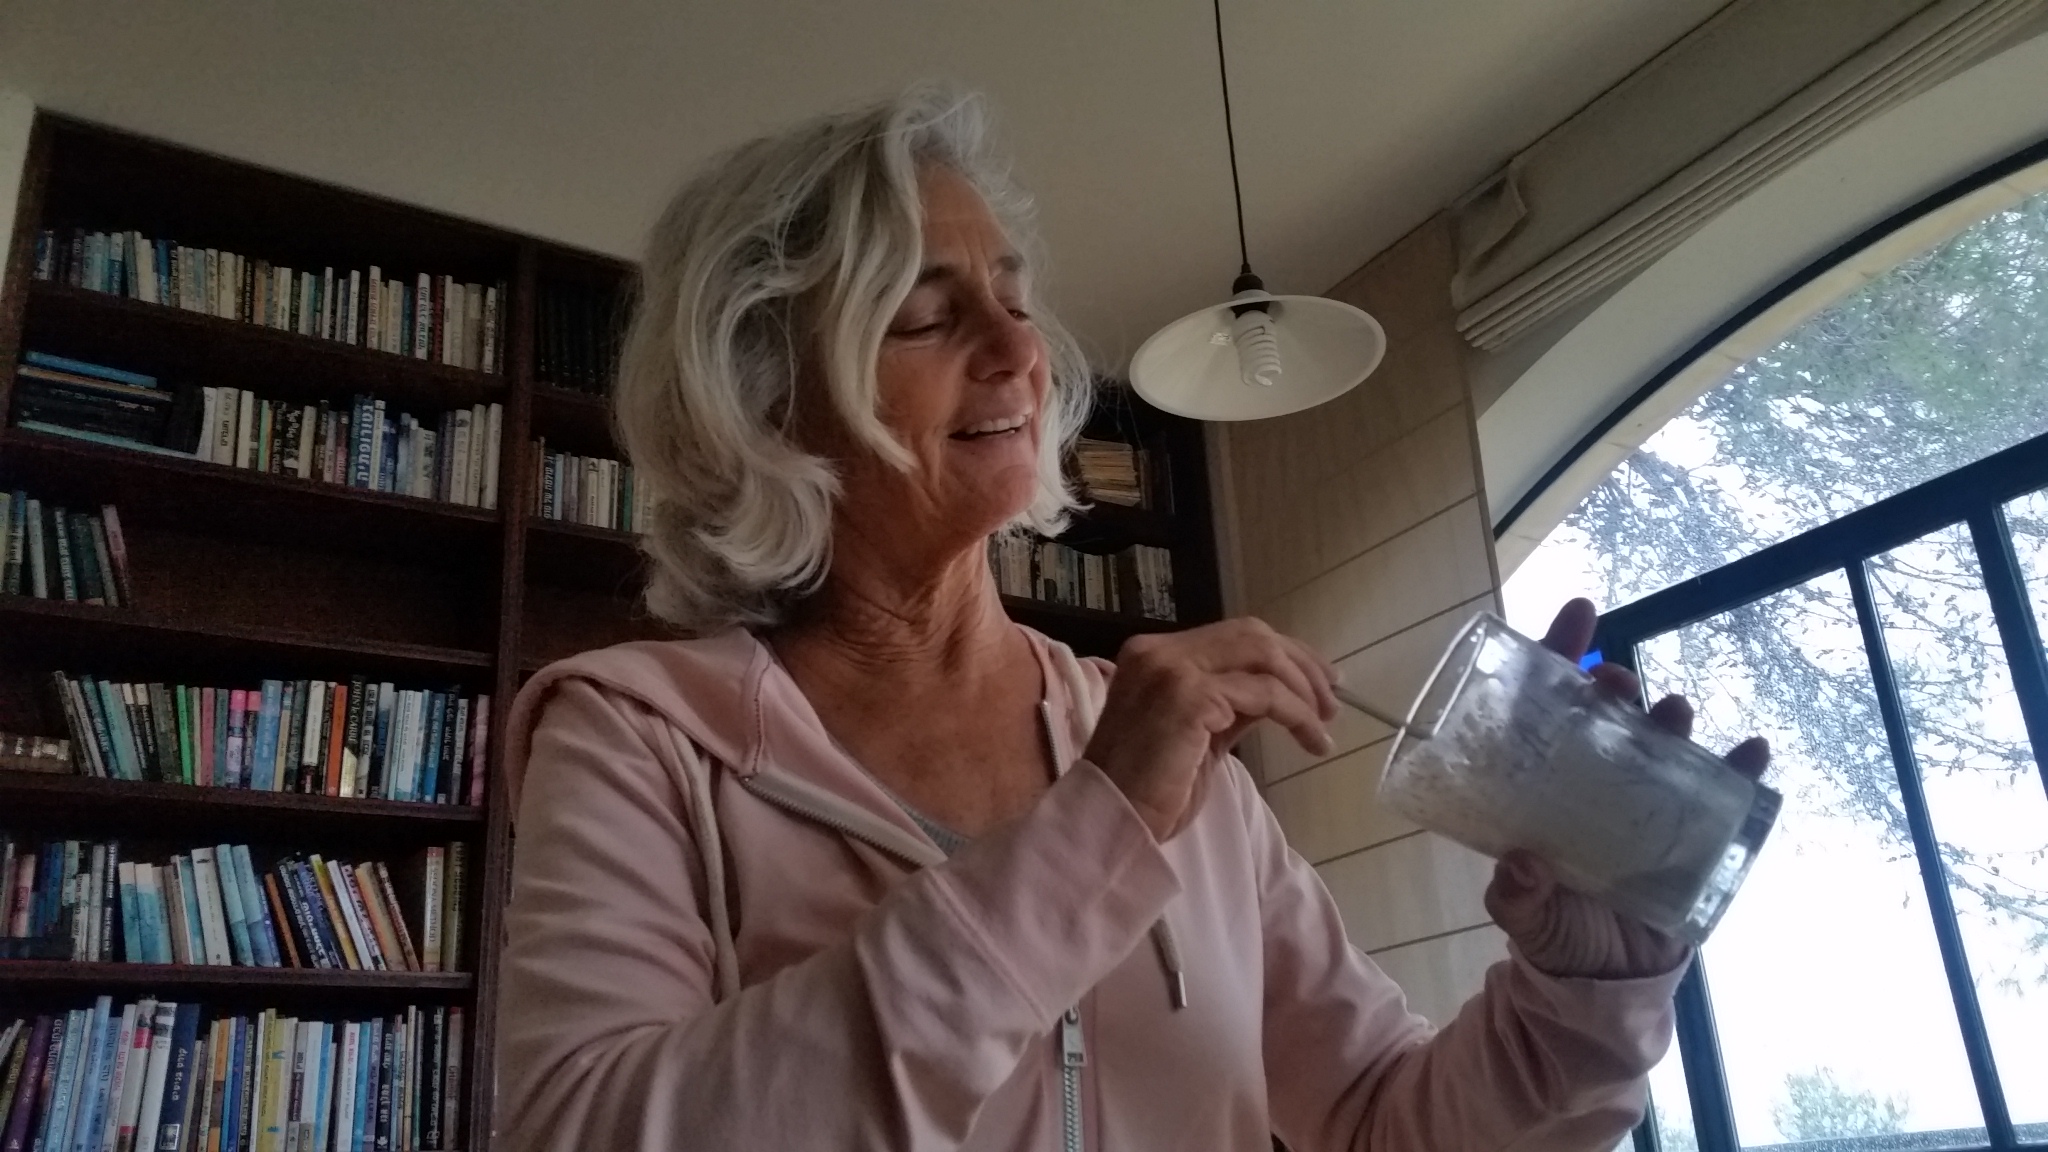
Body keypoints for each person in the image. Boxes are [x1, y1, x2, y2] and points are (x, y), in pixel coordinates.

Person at [494, 86, 1768, 1152]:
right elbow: (585, 1132)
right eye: (927, 315)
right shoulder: (633, 736)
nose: (1017, 349)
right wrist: (1091, 832)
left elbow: (1386, 1119)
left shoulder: (1163, 746)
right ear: (763, 398)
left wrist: (1584, 991)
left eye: (1011, 297)